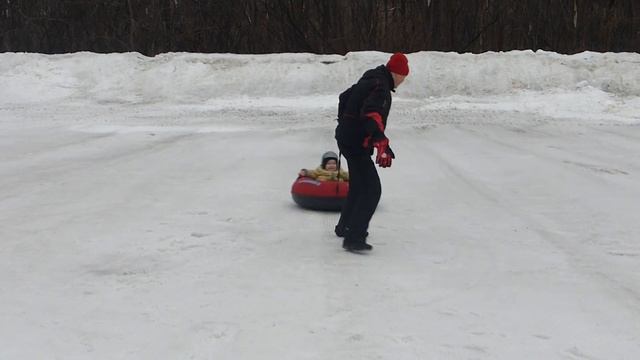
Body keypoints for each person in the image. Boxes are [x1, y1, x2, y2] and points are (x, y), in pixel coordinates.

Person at [333, 52, 409, 251]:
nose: (402, 81)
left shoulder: (371, 79)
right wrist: (378, 139)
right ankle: (354, 237)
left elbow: (344, 97)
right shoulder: (381, 87)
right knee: (372, 189)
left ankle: (345, 226)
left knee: (359, 185)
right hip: (355, 142)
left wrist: (346, 125)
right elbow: (372, 115)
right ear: (397, 73)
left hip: (347, 139)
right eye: (403, 77)